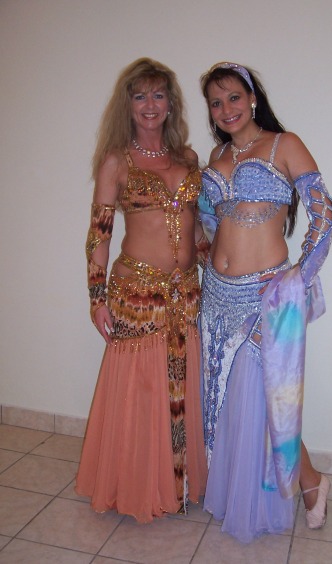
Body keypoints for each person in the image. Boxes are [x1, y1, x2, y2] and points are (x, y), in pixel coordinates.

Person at [198, 62, 332, 543]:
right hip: (217, 296)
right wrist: (207, 261)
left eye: (234, 97)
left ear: (253, 97)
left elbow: (324, 214)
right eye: (216, 103)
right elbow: (209, 223)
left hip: (266, 296)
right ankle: (246, 491)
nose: (226, 109)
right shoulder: (215, 156)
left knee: (271, 402)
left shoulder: (285, 144)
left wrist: (298, 276)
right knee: (232, 404)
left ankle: (311, 481)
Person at [75, 58, 208, 523]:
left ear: (171, 103)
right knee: (141, 391)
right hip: (137, 293)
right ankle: (136, 486)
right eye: (140, 96)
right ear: (127, 105)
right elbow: (99, 235)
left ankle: (178, 485)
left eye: (158, 95)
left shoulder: (188, 158)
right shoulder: (117, 161)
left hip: (186, 292)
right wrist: (96, 298)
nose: (150, 105)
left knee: (181, 385)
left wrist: (224, 269)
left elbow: (198, 230)